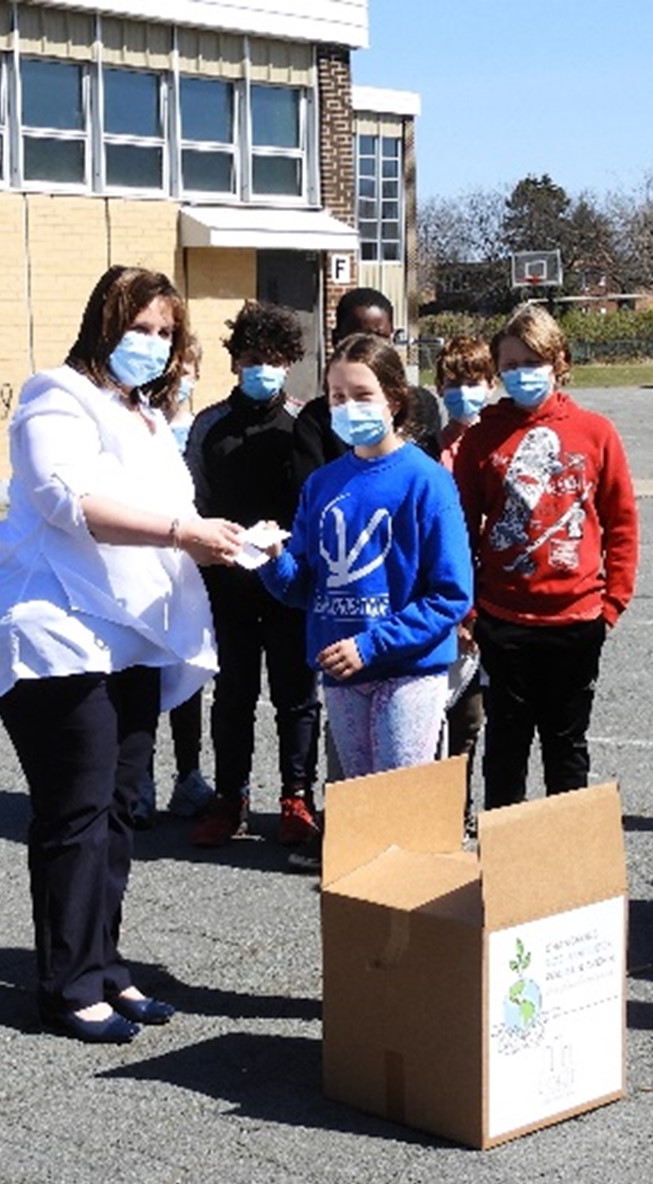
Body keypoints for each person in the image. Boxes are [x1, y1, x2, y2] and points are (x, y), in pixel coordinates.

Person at [0, 265, 242, 1044]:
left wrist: (224, 539)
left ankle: (103, 963)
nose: (151, 343)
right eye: (139, 327)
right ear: (103, 324)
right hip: (55, 631)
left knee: (118, 809)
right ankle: (67, 986)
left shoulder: (145, 414)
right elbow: (68, 500)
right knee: (77, 811)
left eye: (164, 332)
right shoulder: (55, 395)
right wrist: (184, 534)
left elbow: (172, 509)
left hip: (128, 637)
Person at [258, 333, 473, 789]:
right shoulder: (321, 484)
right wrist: (273, 559)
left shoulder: (427, 481)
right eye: (337, 396)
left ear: (393, 399)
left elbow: (451, 594)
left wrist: (370, 646)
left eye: (362, 395)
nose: (348, 406)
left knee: (398, 800)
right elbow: (304, 587)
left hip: (409, 671)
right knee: (358, 800)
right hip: (341, 672)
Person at [452, 304, 639, 814]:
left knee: (566, 745)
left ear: (558, 362)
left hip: (576, 619)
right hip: (503, 618)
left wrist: (612, 602)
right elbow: (461, 529)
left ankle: (566, 852)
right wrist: (469, 609)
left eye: (532, 362)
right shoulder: (482, 438)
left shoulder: (595, 432)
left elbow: (621, 521)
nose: (522, 374)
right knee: (505, 746)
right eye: (510, 365)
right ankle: (506, 853)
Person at [185, 301, 321, 848]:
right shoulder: (209, 425)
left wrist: (292, 553)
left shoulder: (305, 422)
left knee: (297, 695)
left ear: (289, 362)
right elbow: (193, 499)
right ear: (235, 361)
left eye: (273, 358)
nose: (261, 368)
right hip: (228, 586)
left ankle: (297, 795)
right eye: (251, 358)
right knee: (233, 695)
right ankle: (229, 797)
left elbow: (318, 502)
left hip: (289, 584)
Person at [435, 336, 495, 829]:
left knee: (487, 716)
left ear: (490, 384)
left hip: (497, 600)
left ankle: (476, 804)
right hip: (449, 605)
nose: (463, 392)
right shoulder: (429, 452)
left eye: (473, 382)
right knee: (452, 713)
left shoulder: (498, 448)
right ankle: (446, 806)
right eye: (453, 383)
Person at [292, 287, 442, 486]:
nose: (367, 349)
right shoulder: (315, 420)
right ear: (337, 339)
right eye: (357, 337)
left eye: (379, 338)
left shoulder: (421, 406)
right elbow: (311, 491)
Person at [158, 333, 217, 820]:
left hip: (192, 569)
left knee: (187, 672)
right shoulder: (140, 425)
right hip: (147, 564)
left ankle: (189, 773)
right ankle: (136, 780)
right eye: (172, 369)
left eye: (186, 370)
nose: (178, 378)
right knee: (139, 671)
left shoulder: (202, 428)